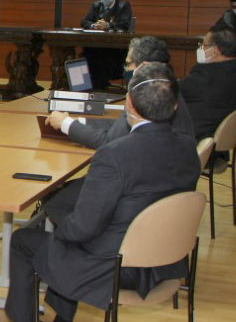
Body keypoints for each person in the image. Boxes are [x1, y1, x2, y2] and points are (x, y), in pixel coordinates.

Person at [3, 63, 201, 322]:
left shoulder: (115, 155)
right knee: (67, 232)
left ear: (129, 103)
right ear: (175, 106)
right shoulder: (188, 147)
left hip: (117, 267)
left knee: (25, 240)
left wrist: (62, 229)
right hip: (165, 261)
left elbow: (83, 229)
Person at [42, 37, 194, 225]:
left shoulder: (145, 96)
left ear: (143, 66)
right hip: (161, 186)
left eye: (128, 64)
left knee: (56, 198)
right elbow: (120, 127)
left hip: (135, 188)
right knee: (64, 191)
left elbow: (108, 142)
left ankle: (57, 236)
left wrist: (67, 124)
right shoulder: (168, 91)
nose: (125, 68)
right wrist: (77, 121)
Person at [180, 26, 236, 172]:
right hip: (217, 150)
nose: (201, 49)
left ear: (215, 50)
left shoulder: (206, 75)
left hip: (195, 146)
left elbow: (173, 90)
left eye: (204, 45)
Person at [80, 0, 133, 89]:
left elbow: (125, 24)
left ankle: (101, 83)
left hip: (116, 46)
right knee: (88, 52)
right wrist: (94, 25)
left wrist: (108, 25)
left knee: (103, 55)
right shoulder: (96, 5)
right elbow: (84, 21)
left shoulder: (123, 6)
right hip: (97, 44)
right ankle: (93, 85)